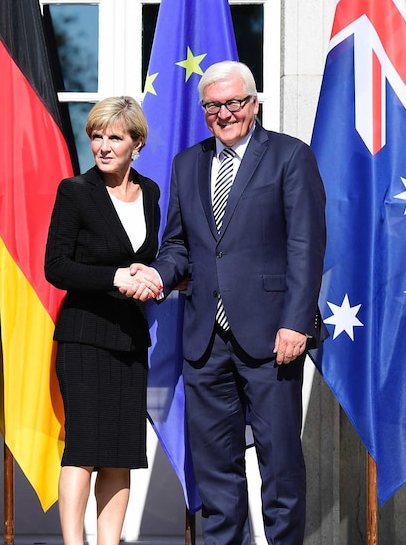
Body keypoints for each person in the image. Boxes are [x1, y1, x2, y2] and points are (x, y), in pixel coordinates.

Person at [146, 61, 327, 544]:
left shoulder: (290, 156)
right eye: (213, 106)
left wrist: (296, 323)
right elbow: (179, 245)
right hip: (205, 341)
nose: (224, 114)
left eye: (233, 103)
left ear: (254, 103)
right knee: (215, 470)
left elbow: (305, 246)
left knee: (280, 462)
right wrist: (157, 275)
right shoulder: (189, 163)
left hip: (272, 338)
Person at [44, 96, 161, 545]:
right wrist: (115, 276)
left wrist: (158, 280)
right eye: (97, 136)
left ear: (137, 143)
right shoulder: (75, 191)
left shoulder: (149, 192)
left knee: (119, 454)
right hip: (84, 339)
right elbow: (56, 266)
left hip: (130, 340)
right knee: (85, 449)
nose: (104, 146)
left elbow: (150, 259)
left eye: (115, 137)